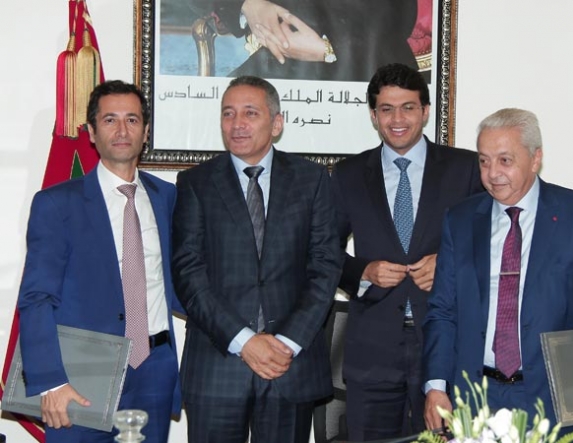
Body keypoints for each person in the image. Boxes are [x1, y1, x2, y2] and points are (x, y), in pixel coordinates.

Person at [422, 108, 573, 442]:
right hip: (476, 398)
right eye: (484, 161)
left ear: (535, 159)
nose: (493, 173)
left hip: (556, 400)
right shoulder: (460, 220)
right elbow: (442, 310)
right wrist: (436, 386)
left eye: (505, 160)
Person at [172, 75, 342, 443]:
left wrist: (288, 343)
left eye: (250, 113)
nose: (237, 124)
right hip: (218, 366)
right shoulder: (196, 183)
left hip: (289, 364)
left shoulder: (312, 180)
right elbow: (188, 273)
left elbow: (326, 266)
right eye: (228, 113)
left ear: (276, 123)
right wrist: (245, 340)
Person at [17, 80, 183, 443]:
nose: (122, 130)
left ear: (146, 131)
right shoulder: (57, 203)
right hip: (82, 372)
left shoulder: (167, 197)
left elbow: (181, 279)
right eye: (110, 120)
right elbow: (36, 298)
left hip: (154, 369)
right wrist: (50, 382)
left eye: (132, 120)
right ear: (92, 132)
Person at [330, 63, 483, 441]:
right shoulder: (348, 174)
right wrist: (363, 272)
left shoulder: (465, 168)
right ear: (373, 115)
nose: (397, 119)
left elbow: (492, 244)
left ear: (425, 111)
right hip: (373, 350)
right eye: (386, 109)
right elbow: (323, 253)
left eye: (408, 108)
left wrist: (448, 264)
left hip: (447, 345)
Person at [185, 0, 421, 81]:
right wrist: (249, 4)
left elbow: (397, 16)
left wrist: (329, 51)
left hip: (364, 66)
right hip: (272, 65)